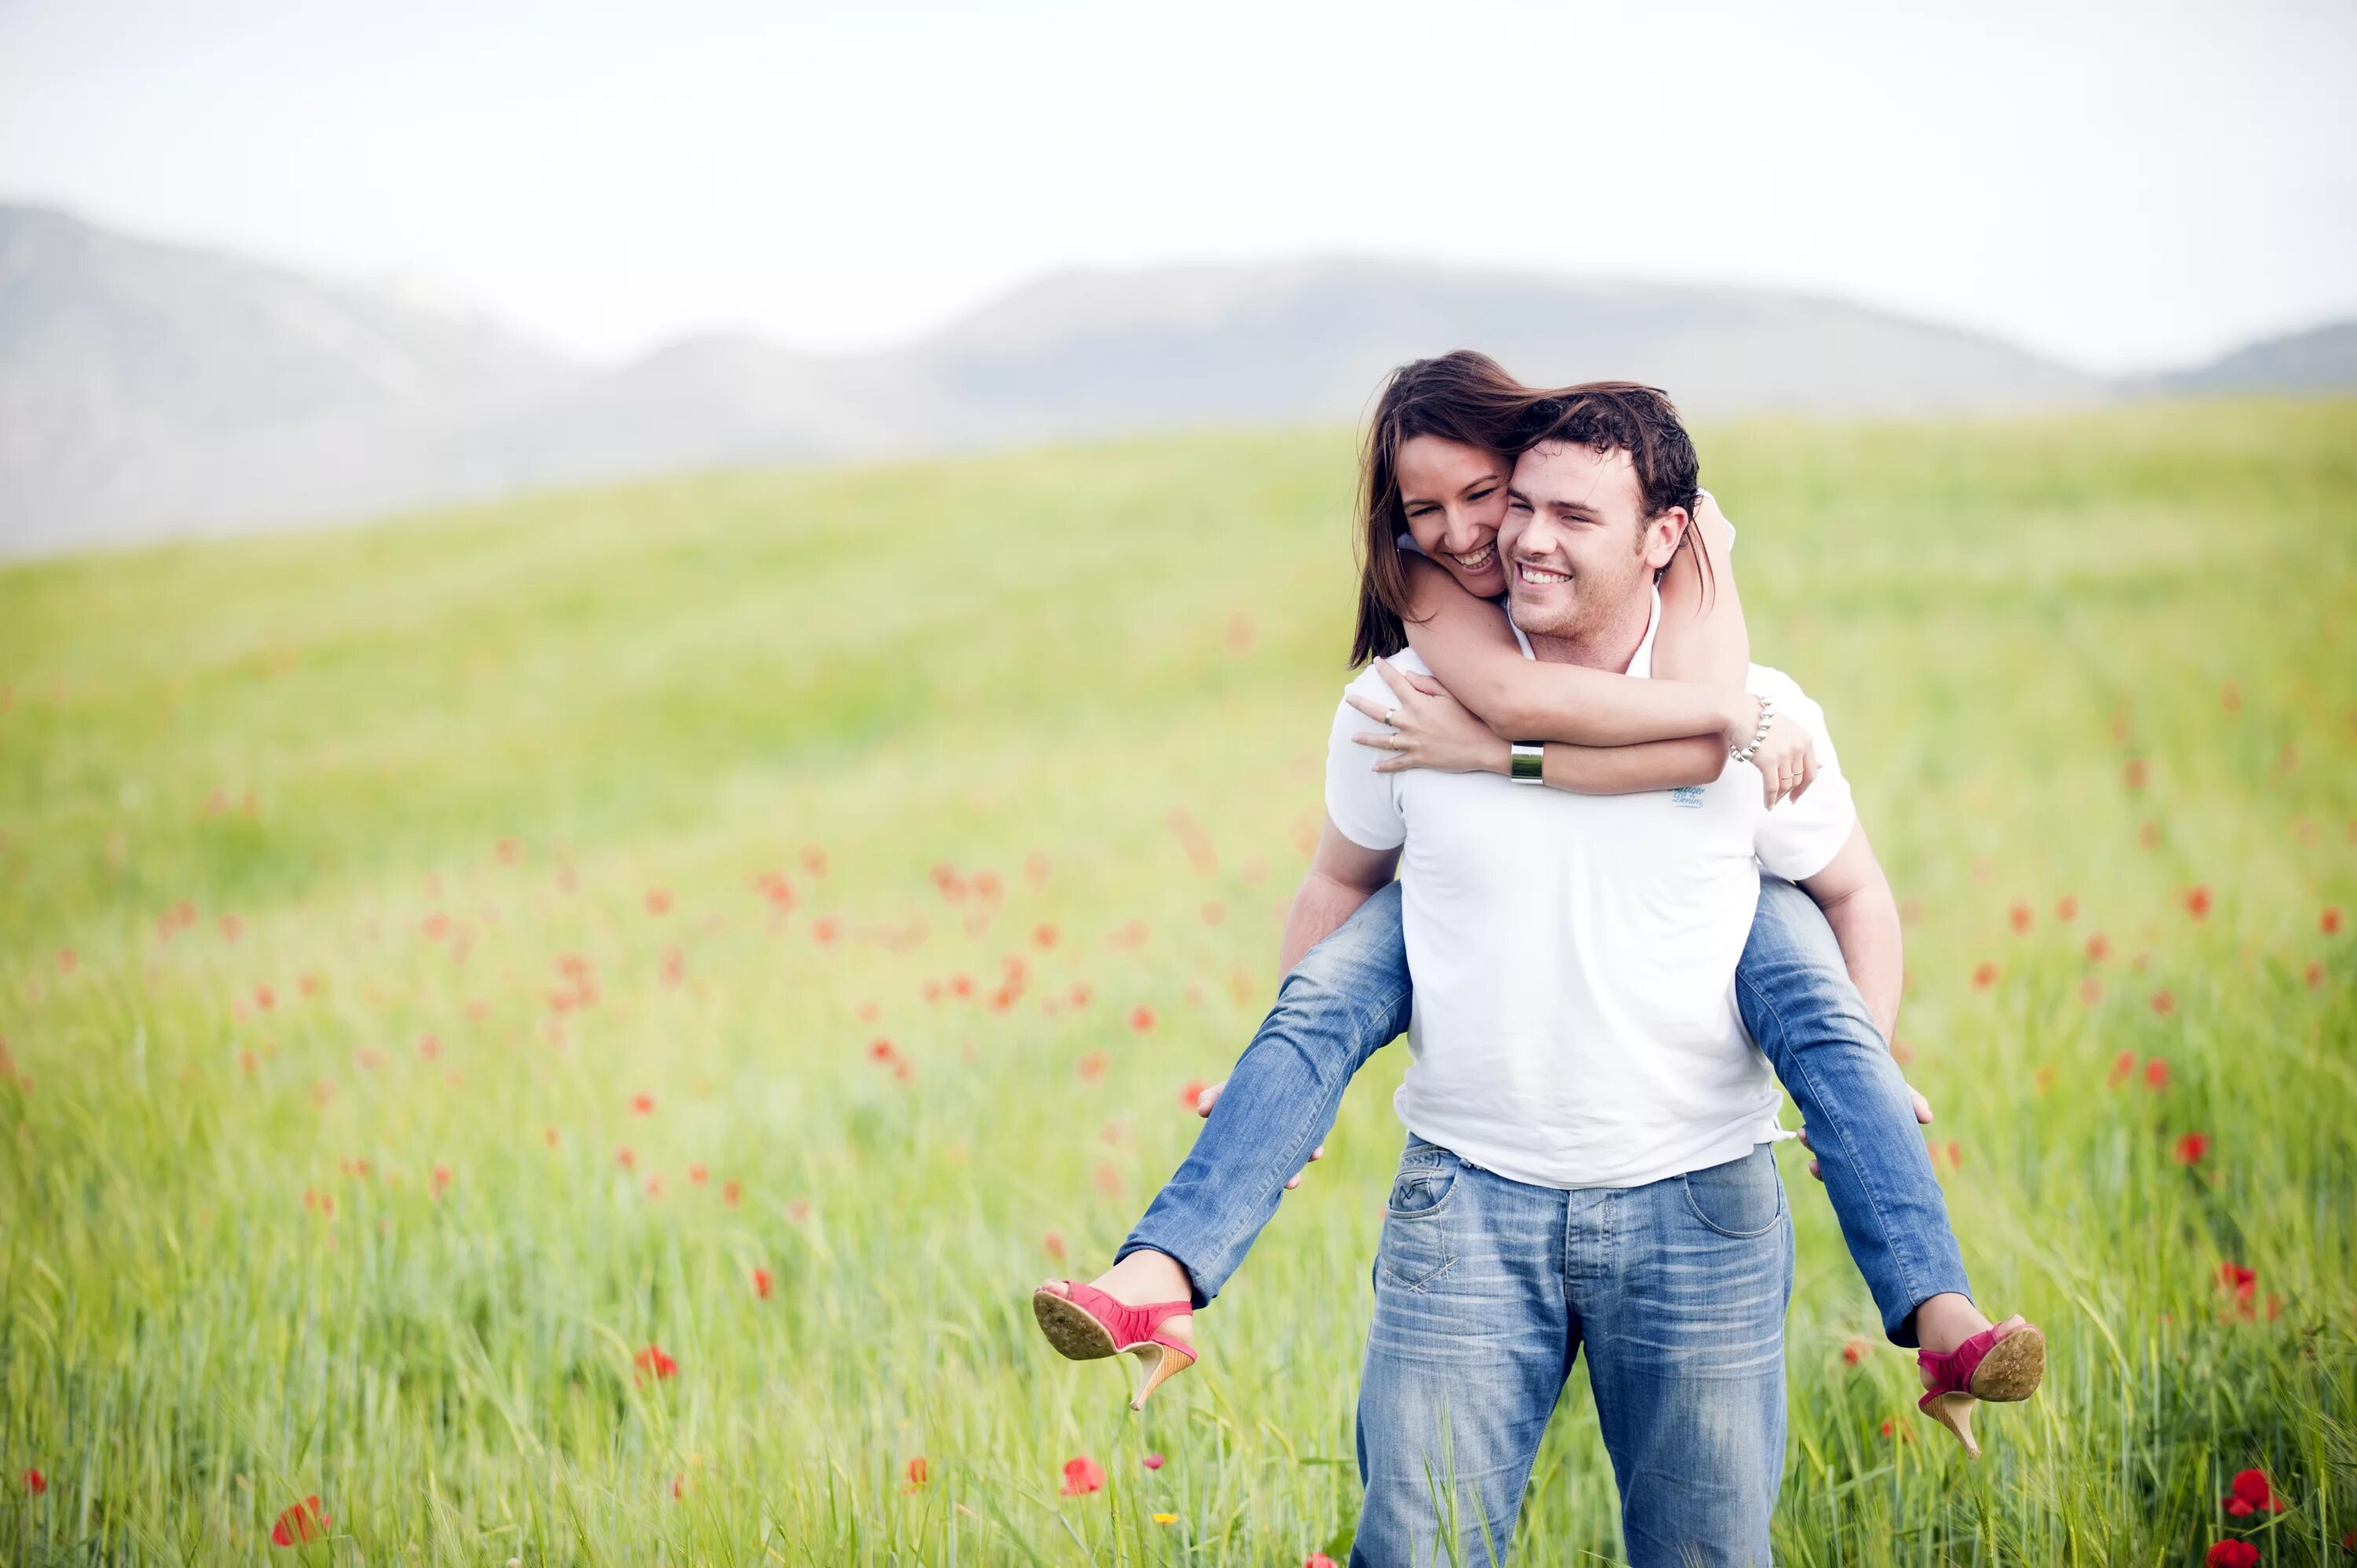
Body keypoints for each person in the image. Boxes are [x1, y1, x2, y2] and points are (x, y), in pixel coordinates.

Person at [1032, 364, 2042, 1514]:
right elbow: (1339, 880)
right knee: (1424, 1542)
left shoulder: (1758, 707)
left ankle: (1939, 1313)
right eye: (1510, 511)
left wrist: (1868, 1069)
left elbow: (1847, 886)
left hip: (1699, 1207)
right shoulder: (1406, 699)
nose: (1502, 539)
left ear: (1662, 536)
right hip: (1466, 1203)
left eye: (1547, 510)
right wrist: (1285, 1091)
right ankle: (1154, 1277)